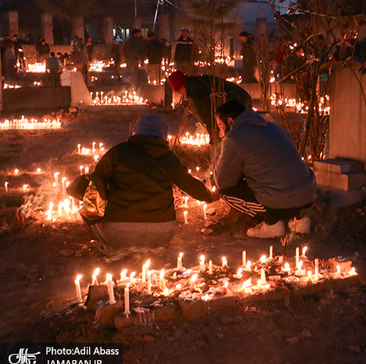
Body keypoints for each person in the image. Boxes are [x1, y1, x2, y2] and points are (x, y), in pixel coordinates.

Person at [74, 115, 212, 259]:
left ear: (136, 132)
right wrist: (210, 195)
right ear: (163, 134)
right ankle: (151, 248)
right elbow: (191, 185)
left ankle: (116, 248)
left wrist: (88, 207)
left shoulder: (118, 152)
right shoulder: (170, 158)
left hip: (118, 231)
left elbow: (96, 181)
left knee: (95, 216)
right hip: (162, 232)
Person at [213, 100, 316, 238]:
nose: (220, 133)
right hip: (308, 195)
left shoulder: (234, 137)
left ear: (230, 121)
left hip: (279, 200)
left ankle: (272, 225)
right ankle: (301, 220)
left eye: (220, 126)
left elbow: (223, 181)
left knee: (225, 192)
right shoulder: (275, 128)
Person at [167, 70, 252, 136]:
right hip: (241, 97)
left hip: (237, 101)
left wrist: (214, 134)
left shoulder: (195, 89)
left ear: (182, 86)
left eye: (179, 91)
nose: (181, 94)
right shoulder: (197, 82)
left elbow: (208, 114)